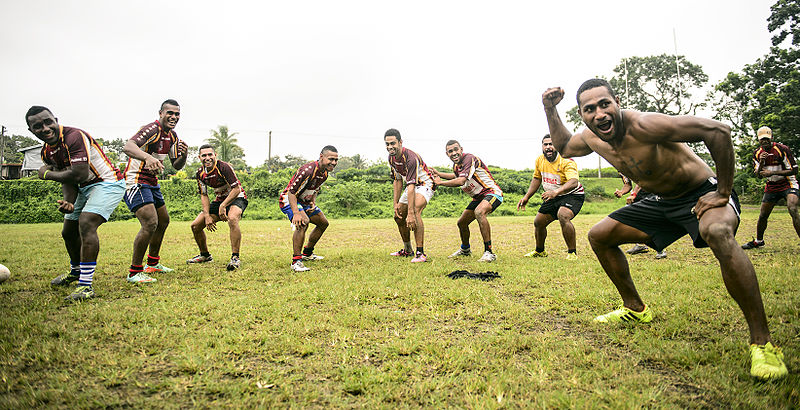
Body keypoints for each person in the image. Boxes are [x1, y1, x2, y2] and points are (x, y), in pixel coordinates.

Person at [541, 78, 787, 380]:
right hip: (662, 201)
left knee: (718, 234)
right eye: (589, 109)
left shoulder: (645, 125)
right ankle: (635, 308)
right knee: (599, 236)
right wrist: (550, 108)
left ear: (617, 102)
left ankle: (763, 343)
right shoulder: (592, 138)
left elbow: (718, 131)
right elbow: (565, 146)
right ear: (581, 115)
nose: (600, 114)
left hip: (701, 193)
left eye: (605, 104)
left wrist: (723, 191)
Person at [26, 106, 125, 301]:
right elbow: (68, 179)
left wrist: (46, 174)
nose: (45, 128)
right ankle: (76, 271)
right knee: (68, 231)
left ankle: (86, 286)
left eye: (48, 122)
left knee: (86, 223)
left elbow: (78, 173)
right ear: (31, 131)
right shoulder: (47, 152)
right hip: (83, 188)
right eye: (38, 126)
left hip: (107, 183)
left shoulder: (74, 136)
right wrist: (69, 202)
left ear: (55, 119)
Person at [122, 99, 188, 283]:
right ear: (160, 113)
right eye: (170, 113)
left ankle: (152, 264)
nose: (174, 117)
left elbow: (176, 166)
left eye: (177, 114)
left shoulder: (172, 136)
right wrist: (147, 158)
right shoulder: (152, 129)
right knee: (150, 223)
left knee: (163, 220)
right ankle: (134, 272)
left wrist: (184, 155)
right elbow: (128, 146)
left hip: (151, 181)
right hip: (136, 179)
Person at [433, 140, 504, 262]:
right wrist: (439, 173)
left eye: (456, 149)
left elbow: (461, 181)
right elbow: (456, 176)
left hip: (492, 193)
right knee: (462, 223)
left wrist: (440, 183)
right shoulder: (457, 166)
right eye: (450, 151)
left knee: (479, 212)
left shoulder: (469, 159)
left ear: (461, 149)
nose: (454, 153)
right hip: (478, 197)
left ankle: (489, 252)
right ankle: (465, 250)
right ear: (447, 154)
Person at [517, 134, 584, 259]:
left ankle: (572, 253)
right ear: (542, 146)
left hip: (572, 195)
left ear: (557, 145)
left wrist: (556, 192)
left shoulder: (566, 160)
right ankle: (540, 251)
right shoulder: (540, 160)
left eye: (551, 144)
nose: (548, 147)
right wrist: (527, 197)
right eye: (545, 144)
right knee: (538, 222)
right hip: (553, 196)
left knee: (563, 215)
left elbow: (573, 182)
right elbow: (537, 178)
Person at [186, 145, 248, 270]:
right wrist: (207, 215)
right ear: (199, 157)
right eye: (204, 155)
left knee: (232, 218)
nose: (207, 158)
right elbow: (204, 195)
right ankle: (205, 255)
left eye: (210, 155)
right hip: (219, 200)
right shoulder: (200, 173)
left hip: (237, 197)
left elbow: (236, 189)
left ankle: (235, 257)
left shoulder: (223, 167)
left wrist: (223, 206)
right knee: (195, 226)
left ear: (215, 155)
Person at [278, 146, 339, 272]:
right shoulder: (308, 170)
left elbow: (315, 188)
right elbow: (291, 193)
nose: (333, 163)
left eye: (336, 160)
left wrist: (312, 202)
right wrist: (296, 213)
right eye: (331, 159)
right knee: (303, 222)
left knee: (323, 223)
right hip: (289, 199)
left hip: (304, 201)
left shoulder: (325, 173)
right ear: (322, 156)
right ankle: (296, 261)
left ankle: (307, 253)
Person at [740, 126, 800, 249]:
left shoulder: (782, 149)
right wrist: (761, 162)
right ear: (759, 140)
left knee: (792, 208)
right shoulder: (757, 153)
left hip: (788, 183)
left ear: (771, 137)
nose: (765, 141)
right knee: (763, 215)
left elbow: (794, 170)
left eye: (767, 139)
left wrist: (773, 173)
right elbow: (758, 176)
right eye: (762, 139)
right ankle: (758, 241)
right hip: (772, 186)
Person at [384, 129, 436, 263]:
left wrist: (411, 212)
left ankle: (420, 254)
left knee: (415, 210)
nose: (390, 147)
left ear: (400, 142)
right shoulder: (391, 158)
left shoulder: (411, 157)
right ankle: (407, 250)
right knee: (399, 215)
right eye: (387, 144)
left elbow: (412, 185)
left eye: (393, 143)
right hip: (410, 185)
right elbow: (397, 180)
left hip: (424, 184)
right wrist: (395, 204)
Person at [616, 174, 667, 259]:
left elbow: (642, 179)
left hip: (651, 190)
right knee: (632, 220)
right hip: (639, 194)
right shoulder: (620, 168)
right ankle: (640, 244)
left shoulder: (631, 162)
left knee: (649, 221)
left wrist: (634, 194)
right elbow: (627, 184)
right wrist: (621, 192)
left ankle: (660, 249)